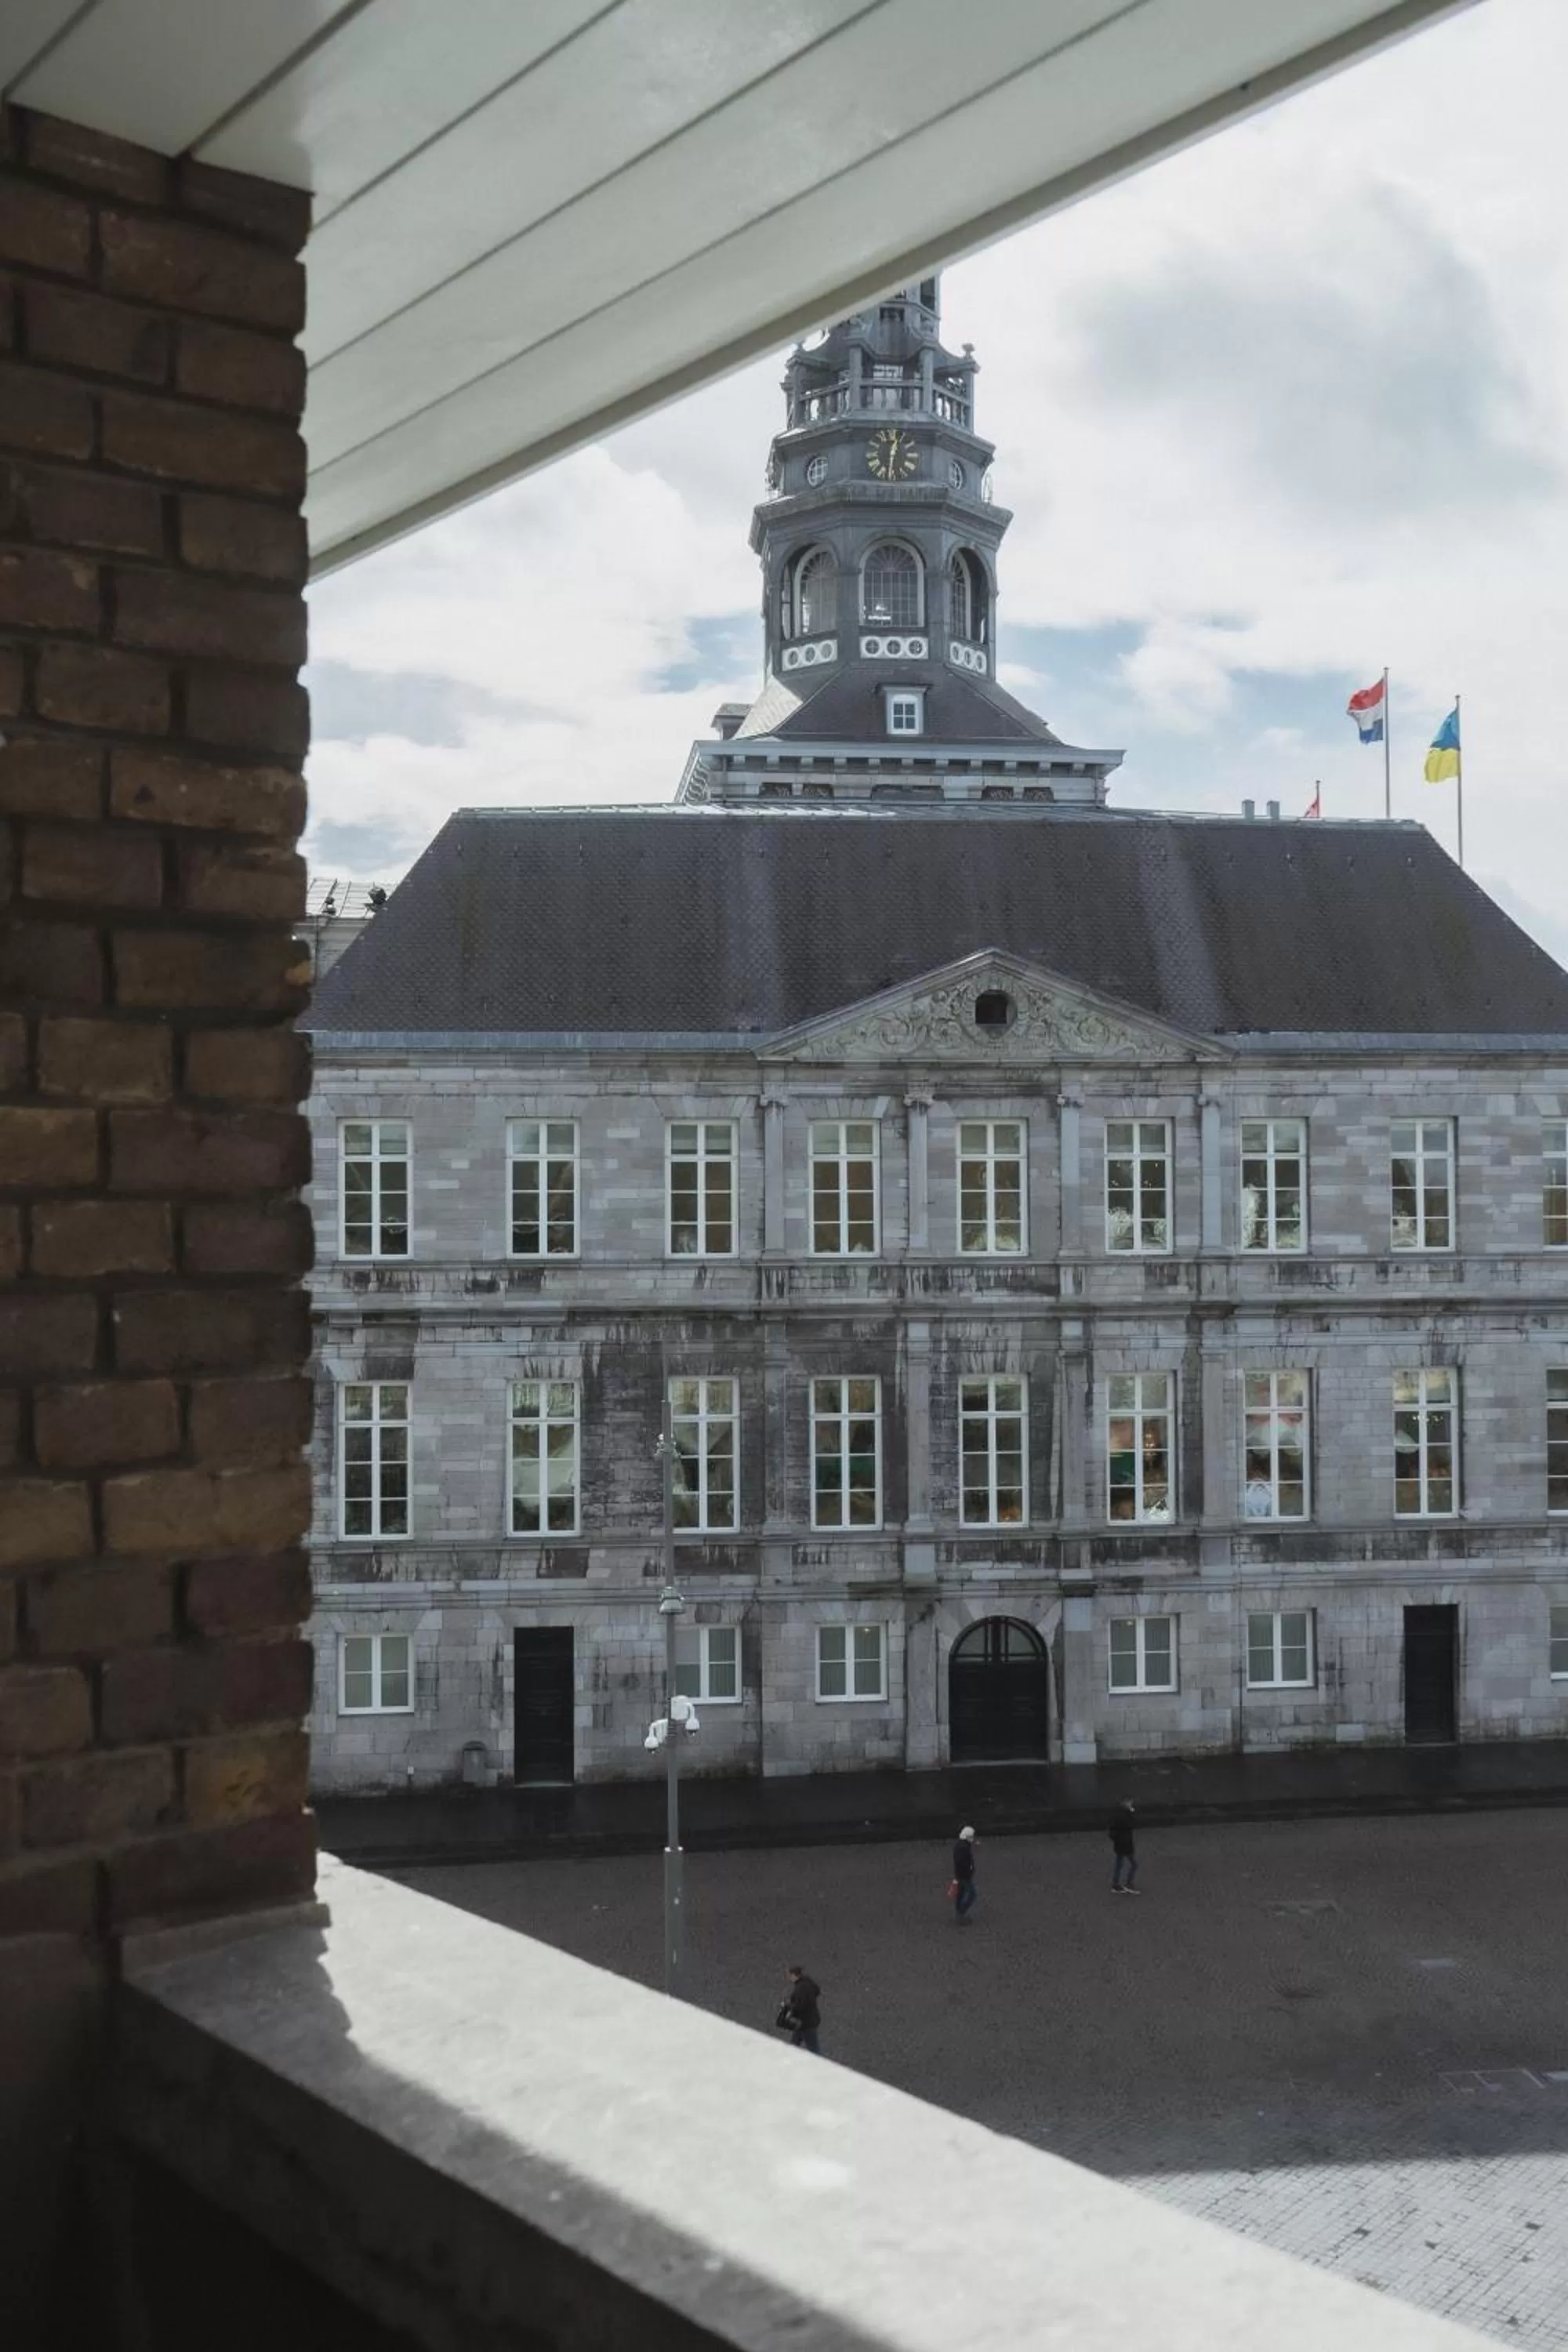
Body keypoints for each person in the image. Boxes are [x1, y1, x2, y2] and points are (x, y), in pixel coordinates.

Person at [782, 1963, 822, 2053]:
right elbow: (817, 1991)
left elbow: (799, 2007)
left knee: (814, 2049)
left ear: (794, 1975)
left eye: (789, 1976)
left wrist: (787, 2006)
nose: (788, 1978)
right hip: (809, 2020)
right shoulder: (808, 1982)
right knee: (794, 2043)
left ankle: (820, 2065)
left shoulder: (800, 1988)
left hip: (806, 2023)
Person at [1109, 1800, 1140, 1893]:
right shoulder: (1127, 1817)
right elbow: (1133, 1823)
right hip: (1126, 1845)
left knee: (1119, 1864)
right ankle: (1129, 1883)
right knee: (1134, 1865)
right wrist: (1132, 1812)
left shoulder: (1116, 1816)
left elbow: (1112, 1831)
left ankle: (1115, 1884)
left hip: (1119, 1845)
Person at [952, 1824, 978, 1923]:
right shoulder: (964, 1847)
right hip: (964, 1876)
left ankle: (959, 1914)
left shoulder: (960, 1845)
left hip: (960, 1875)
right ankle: (961, 1913)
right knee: (972, 1894)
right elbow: (963, 1862)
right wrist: (969, 1870)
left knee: (961, 1894)